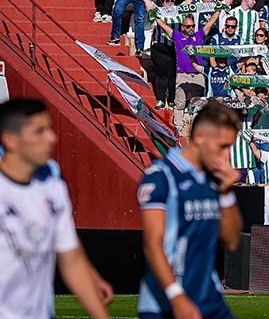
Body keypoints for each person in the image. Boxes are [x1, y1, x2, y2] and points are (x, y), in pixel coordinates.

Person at [0, 99, 112, 319]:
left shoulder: (53, 185)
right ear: (10, 140)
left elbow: (70, 258)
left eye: (49, 129)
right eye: (39, 132)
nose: (51, 138)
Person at [138, 101, 243, 319]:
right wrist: (176, 296)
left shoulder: (214, 180)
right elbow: (152, 243)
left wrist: (227, 194)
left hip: (209, 300)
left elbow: (232, 241)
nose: (226, 157)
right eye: (222, 147)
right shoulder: (161, 176)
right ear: (199, 139)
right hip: (165, 303)